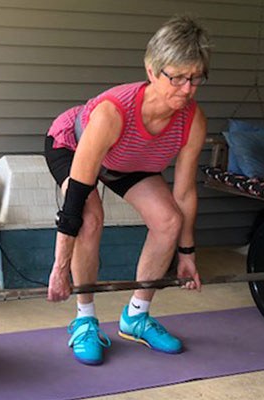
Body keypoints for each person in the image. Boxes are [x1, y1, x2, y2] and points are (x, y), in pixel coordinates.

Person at [44, 14, 211, 365]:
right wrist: (60, 268)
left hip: (126, 160)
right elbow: (74, 202)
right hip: (73, 145)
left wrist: (187, 252)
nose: (187, 89)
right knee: (90, 218)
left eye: (195, 78)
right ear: (152, 70)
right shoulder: (112, 112)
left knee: (168, 219)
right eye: (177, 77)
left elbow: (184, 194)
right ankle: (84, 318)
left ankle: (136, 316)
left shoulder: (192, 119)